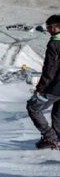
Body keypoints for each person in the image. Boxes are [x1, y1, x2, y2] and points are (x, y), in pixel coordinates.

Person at [27, 14, 60, 149]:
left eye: (48, 27)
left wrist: (40, 88)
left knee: (33, 107)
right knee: (57, 114)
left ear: (55, 27)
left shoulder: (54, 43)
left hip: (55, 87)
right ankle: (57, 138)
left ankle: (51, 138)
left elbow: (49, 69)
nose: (47, 30)